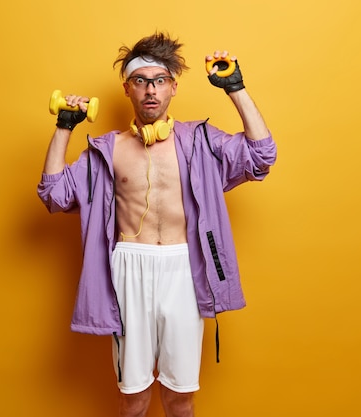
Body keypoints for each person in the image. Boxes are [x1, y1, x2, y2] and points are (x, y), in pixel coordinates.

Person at [38, 32, 277, 417]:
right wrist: (65, 126)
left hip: (186, 269)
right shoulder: (107, 149)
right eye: (141, 81)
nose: (151, 90)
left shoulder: (200, 142)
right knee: (133, 398)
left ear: (173, 88)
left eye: (160, 81)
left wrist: (236, 88)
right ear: (127, 89)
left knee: (181, 397)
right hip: (128, 270)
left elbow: (261, 156)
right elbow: (54, 195)